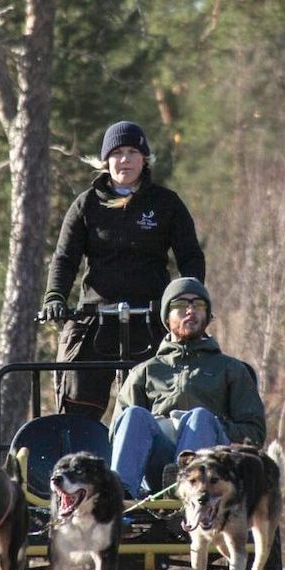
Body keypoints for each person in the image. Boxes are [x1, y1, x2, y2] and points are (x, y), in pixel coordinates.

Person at [41, 120, 205, 421]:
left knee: (159, 404)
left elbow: (190, 257)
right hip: (96, 317)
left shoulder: (166, 204)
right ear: (106, 160)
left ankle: (156, 449)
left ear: (145, 159)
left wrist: (189, 301)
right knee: (77, 400)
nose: (125, 160)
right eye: (117, 153)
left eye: (132, 152)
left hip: (152, 318)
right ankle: (79, 446)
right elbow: (65, 258)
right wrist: (55, 296)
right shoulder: (86, 205)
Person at [109, 277, 265, 498]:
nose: (190, 310)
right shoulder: (144, 372)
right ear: (167, 316)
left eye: (198, 305)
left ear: (207, 316)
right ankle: (120, 496)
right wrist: (163, 425)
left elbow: (254, 434)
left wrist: (214, 426)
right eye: (181, 305)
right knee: (134, 414)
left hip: (212, 468)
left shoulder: (231, 369)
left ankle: (187, 487)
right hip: (157, 465)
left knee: (200, 417)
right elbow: (118, 434)